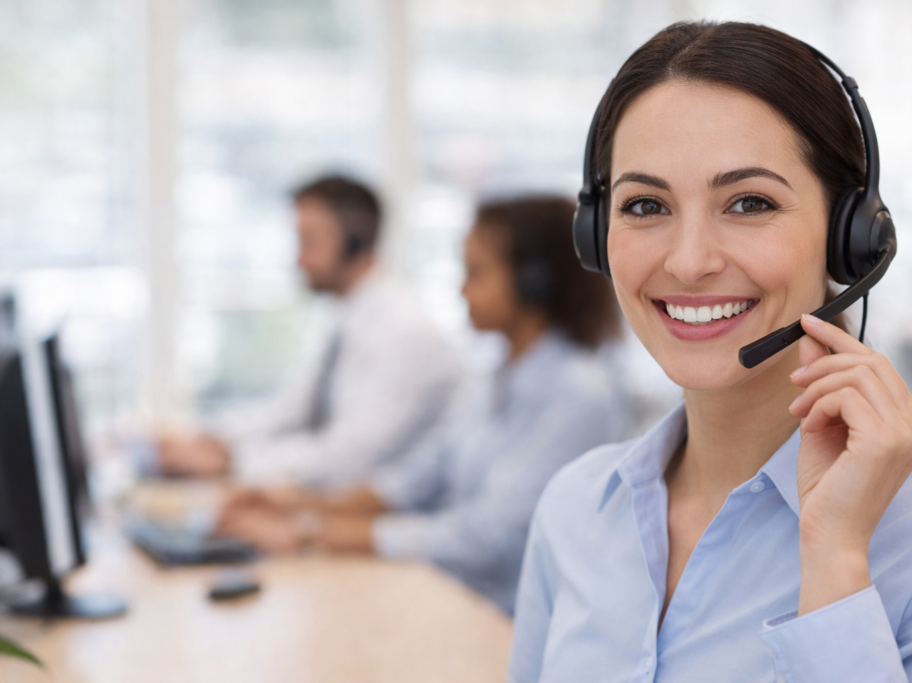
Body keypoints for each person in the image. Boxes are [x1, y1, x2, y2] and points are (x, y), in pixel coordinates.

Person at [509, 21, 912, 683]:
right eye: (645, 205)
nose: (690, 261)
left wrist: (836, 562)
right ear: (594, 234)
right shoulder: (575, 508)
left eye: (749, 202)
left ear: (852, 237)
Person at [216, 196, 624, 614]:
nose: (461, 289)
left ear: (534, 281)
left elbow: (487, 538)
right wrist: (293, 503)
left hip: (506, 625)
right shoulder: (489, 379)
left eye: (476, 273)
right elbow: (414, 482)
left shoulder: (578, 397)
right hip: (449, 601)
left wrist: (309, 532)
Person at [159, 175, 458, 489]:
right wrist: (209, 438)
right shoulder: (350, 318)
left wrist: (234, 461)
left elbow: (349, 457)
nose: (298, 259)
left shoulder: (405, 333)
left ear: (355, 240)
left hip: (373, 516)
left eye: (309, 241)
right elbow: (290, 410)